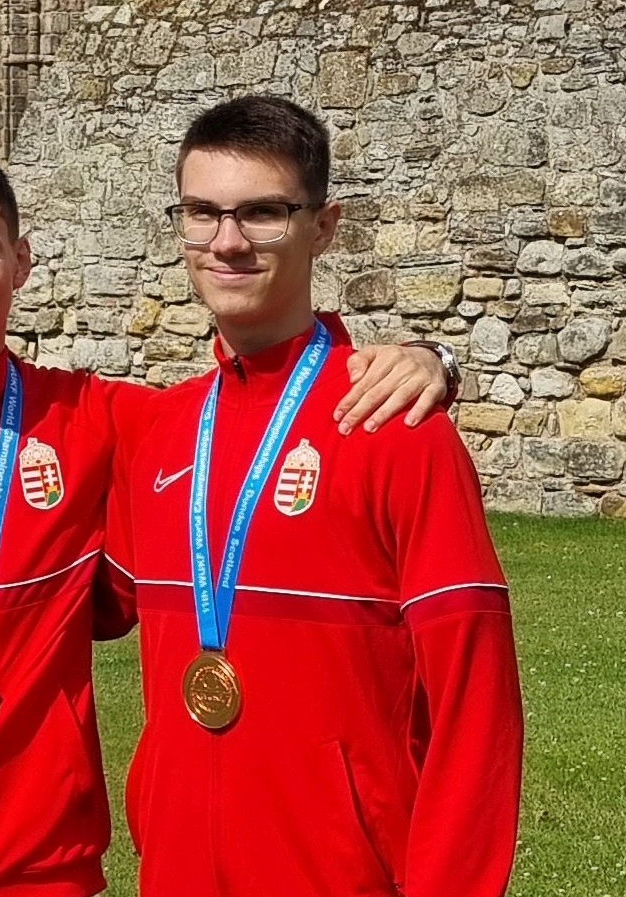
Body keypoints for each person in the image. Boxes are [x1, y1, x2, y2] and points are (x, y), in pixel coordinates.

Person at [0, 145, 450, 897]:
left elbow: (249, 406)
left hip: (44, 870)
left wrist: (431, 359)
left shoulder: (100, 422)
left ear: (21, 262)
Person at [103, 95, 524, 897]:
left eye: (263, 212)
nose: (227, 241)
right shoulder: (159, 432)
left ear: (323, 227)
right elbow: (55, 598)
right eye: (201, 213)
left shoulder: (398, 428)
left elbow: (476, 704)